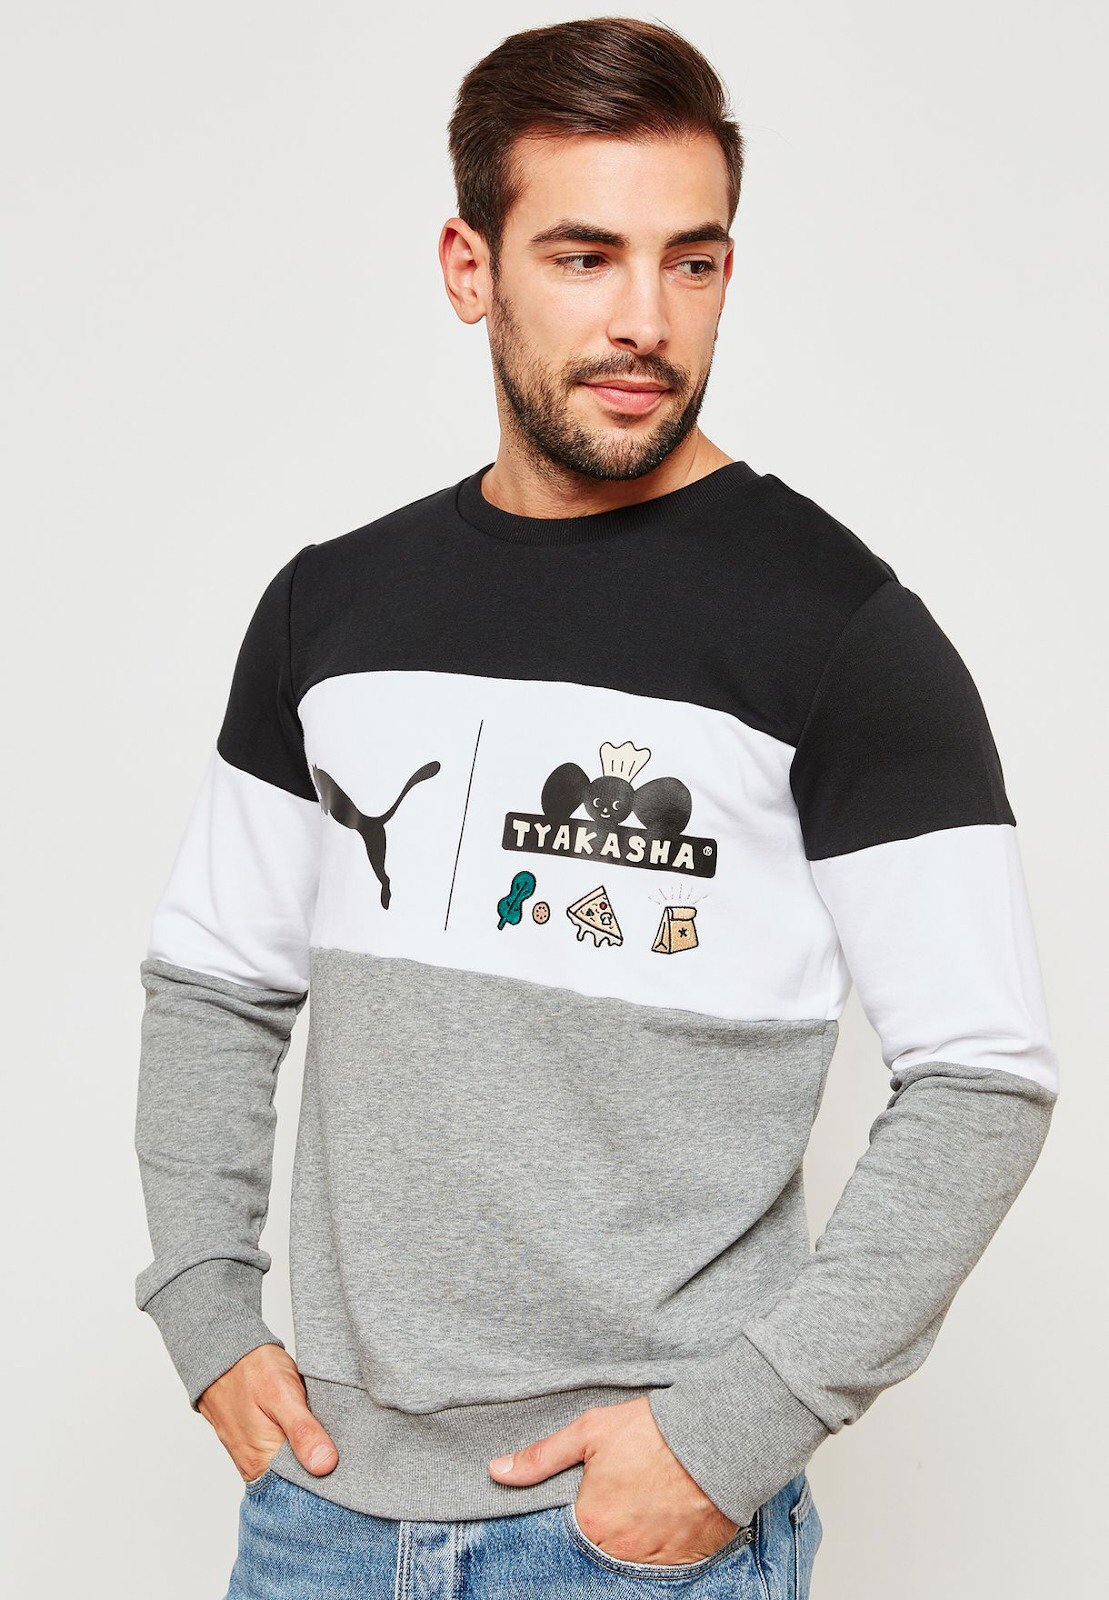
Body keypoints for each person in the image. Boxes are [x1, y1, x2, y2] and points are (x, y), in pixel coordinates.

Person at [133, 17, 1058, 1598]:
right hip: (318, 1519)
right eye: (583, 256)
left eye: (691, 263)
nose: (645, 319)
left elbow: (983, 1073)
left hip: (632, 1542)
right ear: (469, 268)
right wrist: (207, 1310)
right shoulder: (328, 612)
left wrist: (733, 1434)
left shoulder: (839, 631)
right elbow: (215, 984)